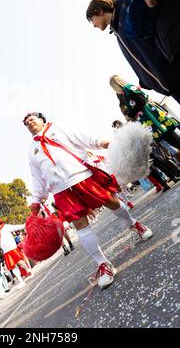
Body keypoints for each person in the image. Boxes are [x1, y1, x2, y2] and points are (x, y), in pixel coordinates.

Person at [24, 111, 153, 290]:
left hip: (83, 177)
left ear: (42, 119)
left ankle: (133, 223)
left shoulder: (59, 127)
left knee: (112, 202)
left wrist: (102, 142)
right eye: (26, 122)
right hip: (61, 191)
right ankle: (103, 264)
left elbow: (83, 137)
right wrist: (36, 200)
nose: (29, 122)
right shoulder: (32, 151)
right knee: (80, 225)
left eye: (32, 118)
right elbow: (37, 178)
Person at [86, 0, 180, 103]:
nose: (94, 25)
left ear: (100, 11)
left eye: (92, 20)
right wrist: (144, 81)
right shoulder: (118, 31)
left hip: (174, 73)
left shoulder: (126, 14)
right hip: (168, 83)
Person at [109, 75, 180, 148]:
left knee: (174, 140)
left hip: (152, 117)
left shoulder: (127, 89)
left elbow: (141, 101)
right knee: (173, 140)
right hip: (150, 118)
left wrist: (130, 115)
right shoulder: (126, 91)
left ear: (115, 85)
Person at [0, 218, 30, 289]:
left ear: (0, 222)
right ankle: (21, 281)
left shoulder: (6, 227)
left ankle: (28, 270)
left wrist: (24, 225)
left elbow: (15, 227)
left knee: (20, 263)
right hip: (6, 252)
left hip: (12, 248)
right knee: (13, 267)